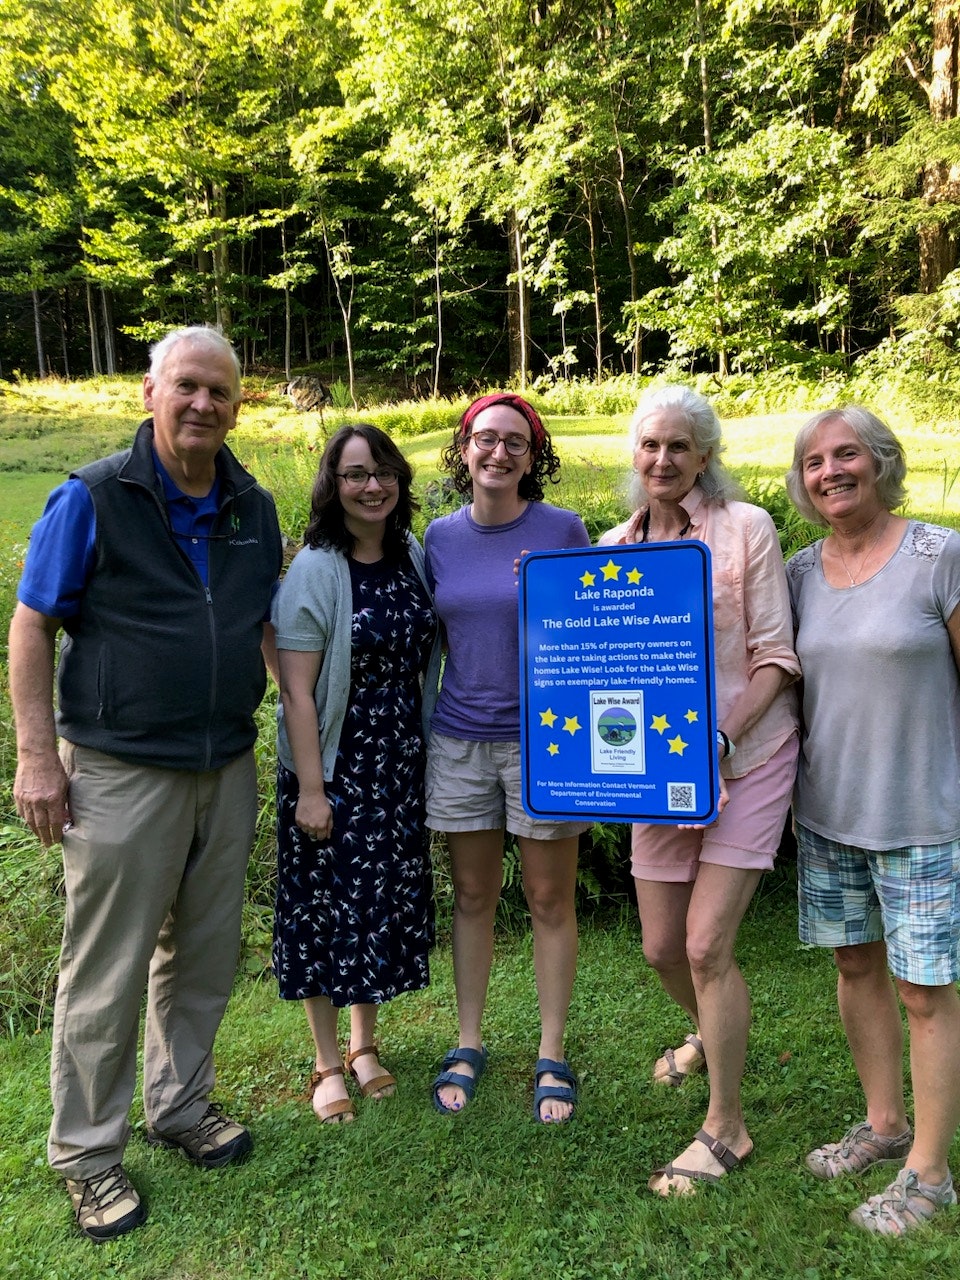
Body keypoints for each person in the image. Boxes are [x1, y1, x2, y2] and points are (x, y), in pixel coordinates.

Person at [8, 326, 283, 1241]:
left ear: (237, 406)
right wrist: (38, 758)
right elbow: (33, 624)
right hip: (122, 768)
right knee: (108, 967)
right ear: (150, 393)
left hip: (225, 763)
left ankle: (180, 1106)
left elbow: (259, 629)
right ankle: (88, 1157)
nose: (204, 404)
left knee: (202, 957)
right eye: (188, 387)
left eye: (220, 392)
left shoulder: (252, 505)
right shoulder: (91, 497)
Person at [599, 384, 799, 1194]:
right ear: (635, 456)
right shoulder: (615, 544)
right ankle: (704, 1033)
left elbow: (776, 660)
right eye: (650, 446)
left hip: (744, 758)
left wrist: (720, 739)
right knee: (658, 947)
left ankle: (726, 1128)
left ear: (705, 456)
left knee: (707, 944)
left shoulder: (745, 530)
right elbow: (594, 665)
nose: (663, 459)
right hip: (657, 775)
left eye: (679, 447)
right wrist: (543, 592)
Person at [785, 406, 960, 1234]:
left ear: (881, 461)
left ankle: (930, 1173)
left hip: (924, 815)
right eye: (814, 462)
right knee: (856, 967)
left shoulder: (940, 556)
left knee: (924, 993)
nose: (830, 472)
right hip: (828, 814)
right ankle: (885, 1126)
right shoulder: (797, 573)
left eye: (845, 454)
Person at [425, 393, 591, 1123]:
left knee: (550, 900)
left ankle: (552, 1052)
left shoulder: (563, 530)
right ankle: (468, 1041)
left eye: (515, 444)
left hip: (545, 745)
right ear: (463, 449)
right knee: (472, 898)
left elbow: (598, 637)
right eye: (485, 439)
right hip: (459, 739)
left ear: (534, 456)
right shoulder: (435, 537)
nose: (498, 453)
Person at [271, 425, 439, 1123]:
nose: (372, 486)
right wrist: (312, 790)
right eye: (355, 474)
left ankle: (365, 1046)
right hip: (334, 766)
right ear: (332, 485)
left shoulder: (412, 555)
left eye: (383, 472)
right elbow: (296, 690)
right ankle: (323, 1061)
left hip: (396, 767)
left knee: (373, 910)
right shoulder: (315, 567)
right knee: (321, 913)